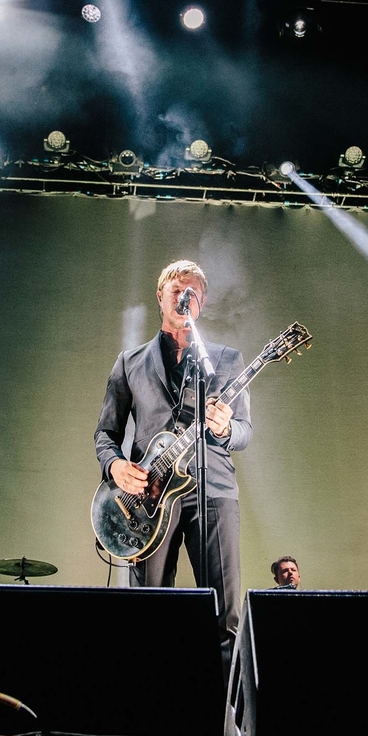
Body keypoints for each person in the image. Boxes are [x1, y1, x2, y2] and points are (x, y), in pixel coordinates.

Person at [95, 259, 253, 666]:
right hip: (148, 500)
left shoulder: (226, 361)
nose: (187, 298)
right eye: (179, 290)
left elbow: (244, 432)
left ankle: (224, 721)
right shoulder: (130, 362)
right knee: (148, 611)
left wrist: (223, 428)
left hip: (214, 493)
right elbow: (106, 434)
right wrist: (115, 467)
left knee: (226, 617)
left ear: (202, 304)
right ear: (160, 296)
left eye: (195, 293)